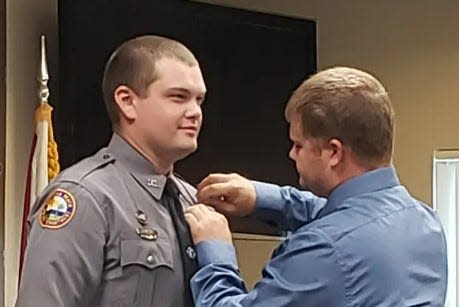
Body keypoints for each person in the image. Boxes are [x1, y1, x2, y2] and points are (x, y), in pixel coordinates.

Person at [184, 67, 447, 306]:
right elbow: (347, 216)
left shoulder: (325, 249)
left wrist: (216, 250)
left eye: (299, 145)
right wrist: (259, 198)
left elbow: (338, 236)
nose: (291, 154)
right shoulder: (426, 222)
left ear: (334, 152)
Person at [16, 35, 206, 307]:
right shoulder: (84, 197)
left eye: (199, 100)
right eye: (178, 97)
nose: (195, 112)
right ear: (127, 102)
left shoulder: (192, 201)